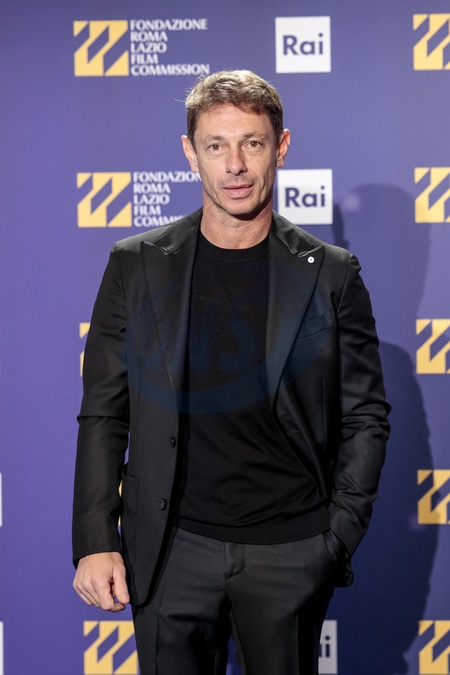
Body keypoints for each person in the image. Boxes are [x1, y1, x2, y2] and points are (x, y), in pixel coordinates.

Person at [72, 69, 390, 675]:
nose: (235, 165)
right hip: (169, 551)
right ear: (191, 153)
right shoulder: (136, 265)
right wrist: (95, 538)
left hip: (291, 551)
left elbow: (366, 417)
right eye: (216, 145)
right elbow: (104, 411)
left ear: (281, 147)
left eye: (253, 143)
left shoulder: (332, 275)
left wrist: (334, 540)